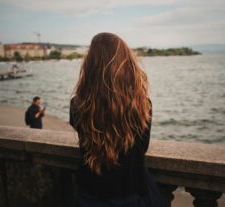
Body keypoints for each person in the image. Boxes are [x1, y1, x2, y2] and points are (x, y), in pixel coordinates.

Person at [69, 32, 166, 207]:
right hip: (132, 194)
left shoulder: (78, 105)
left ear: (90, 66)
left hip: (90, 195)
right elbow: (142, 147)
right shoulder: (143, 106)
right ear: (126, 64)